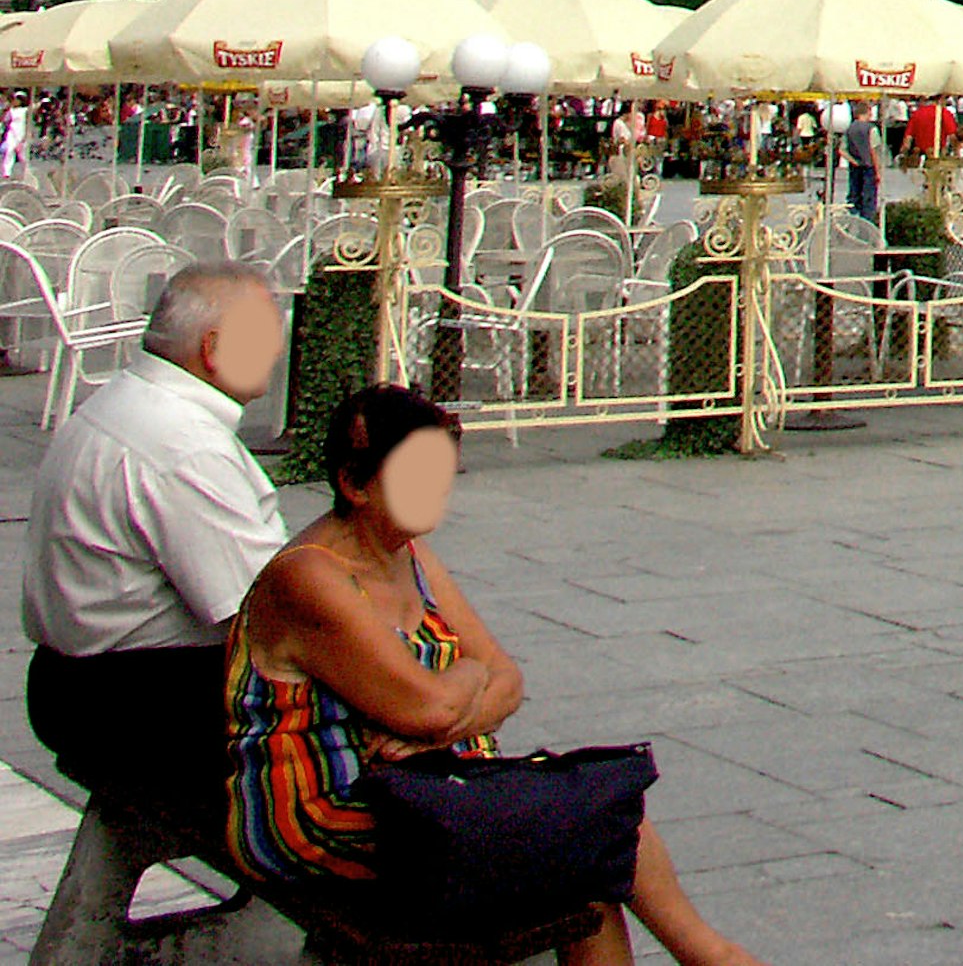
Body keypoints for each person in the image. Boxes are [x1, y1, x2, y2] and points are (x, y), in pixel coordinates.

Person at [229, 385, 768, 966]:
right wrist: (462, 676)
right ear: (355, 484)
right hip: (330, 810)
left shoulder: (408, 554)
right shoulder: (310, 576)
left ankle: (712, 956)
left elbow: (507, 679)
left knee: (594, 828)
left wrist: (437, 724)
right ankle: (714, 957)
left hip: (433, 786)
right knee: (586, 836)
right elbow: (438, 703)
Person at [23, 263, 287, 801]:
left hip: (72, 686)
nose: (277, 352)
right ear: (214, 349)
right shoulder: (181, 442)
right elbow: (270, 609)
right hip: (135, 704)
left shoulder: (131, 399)